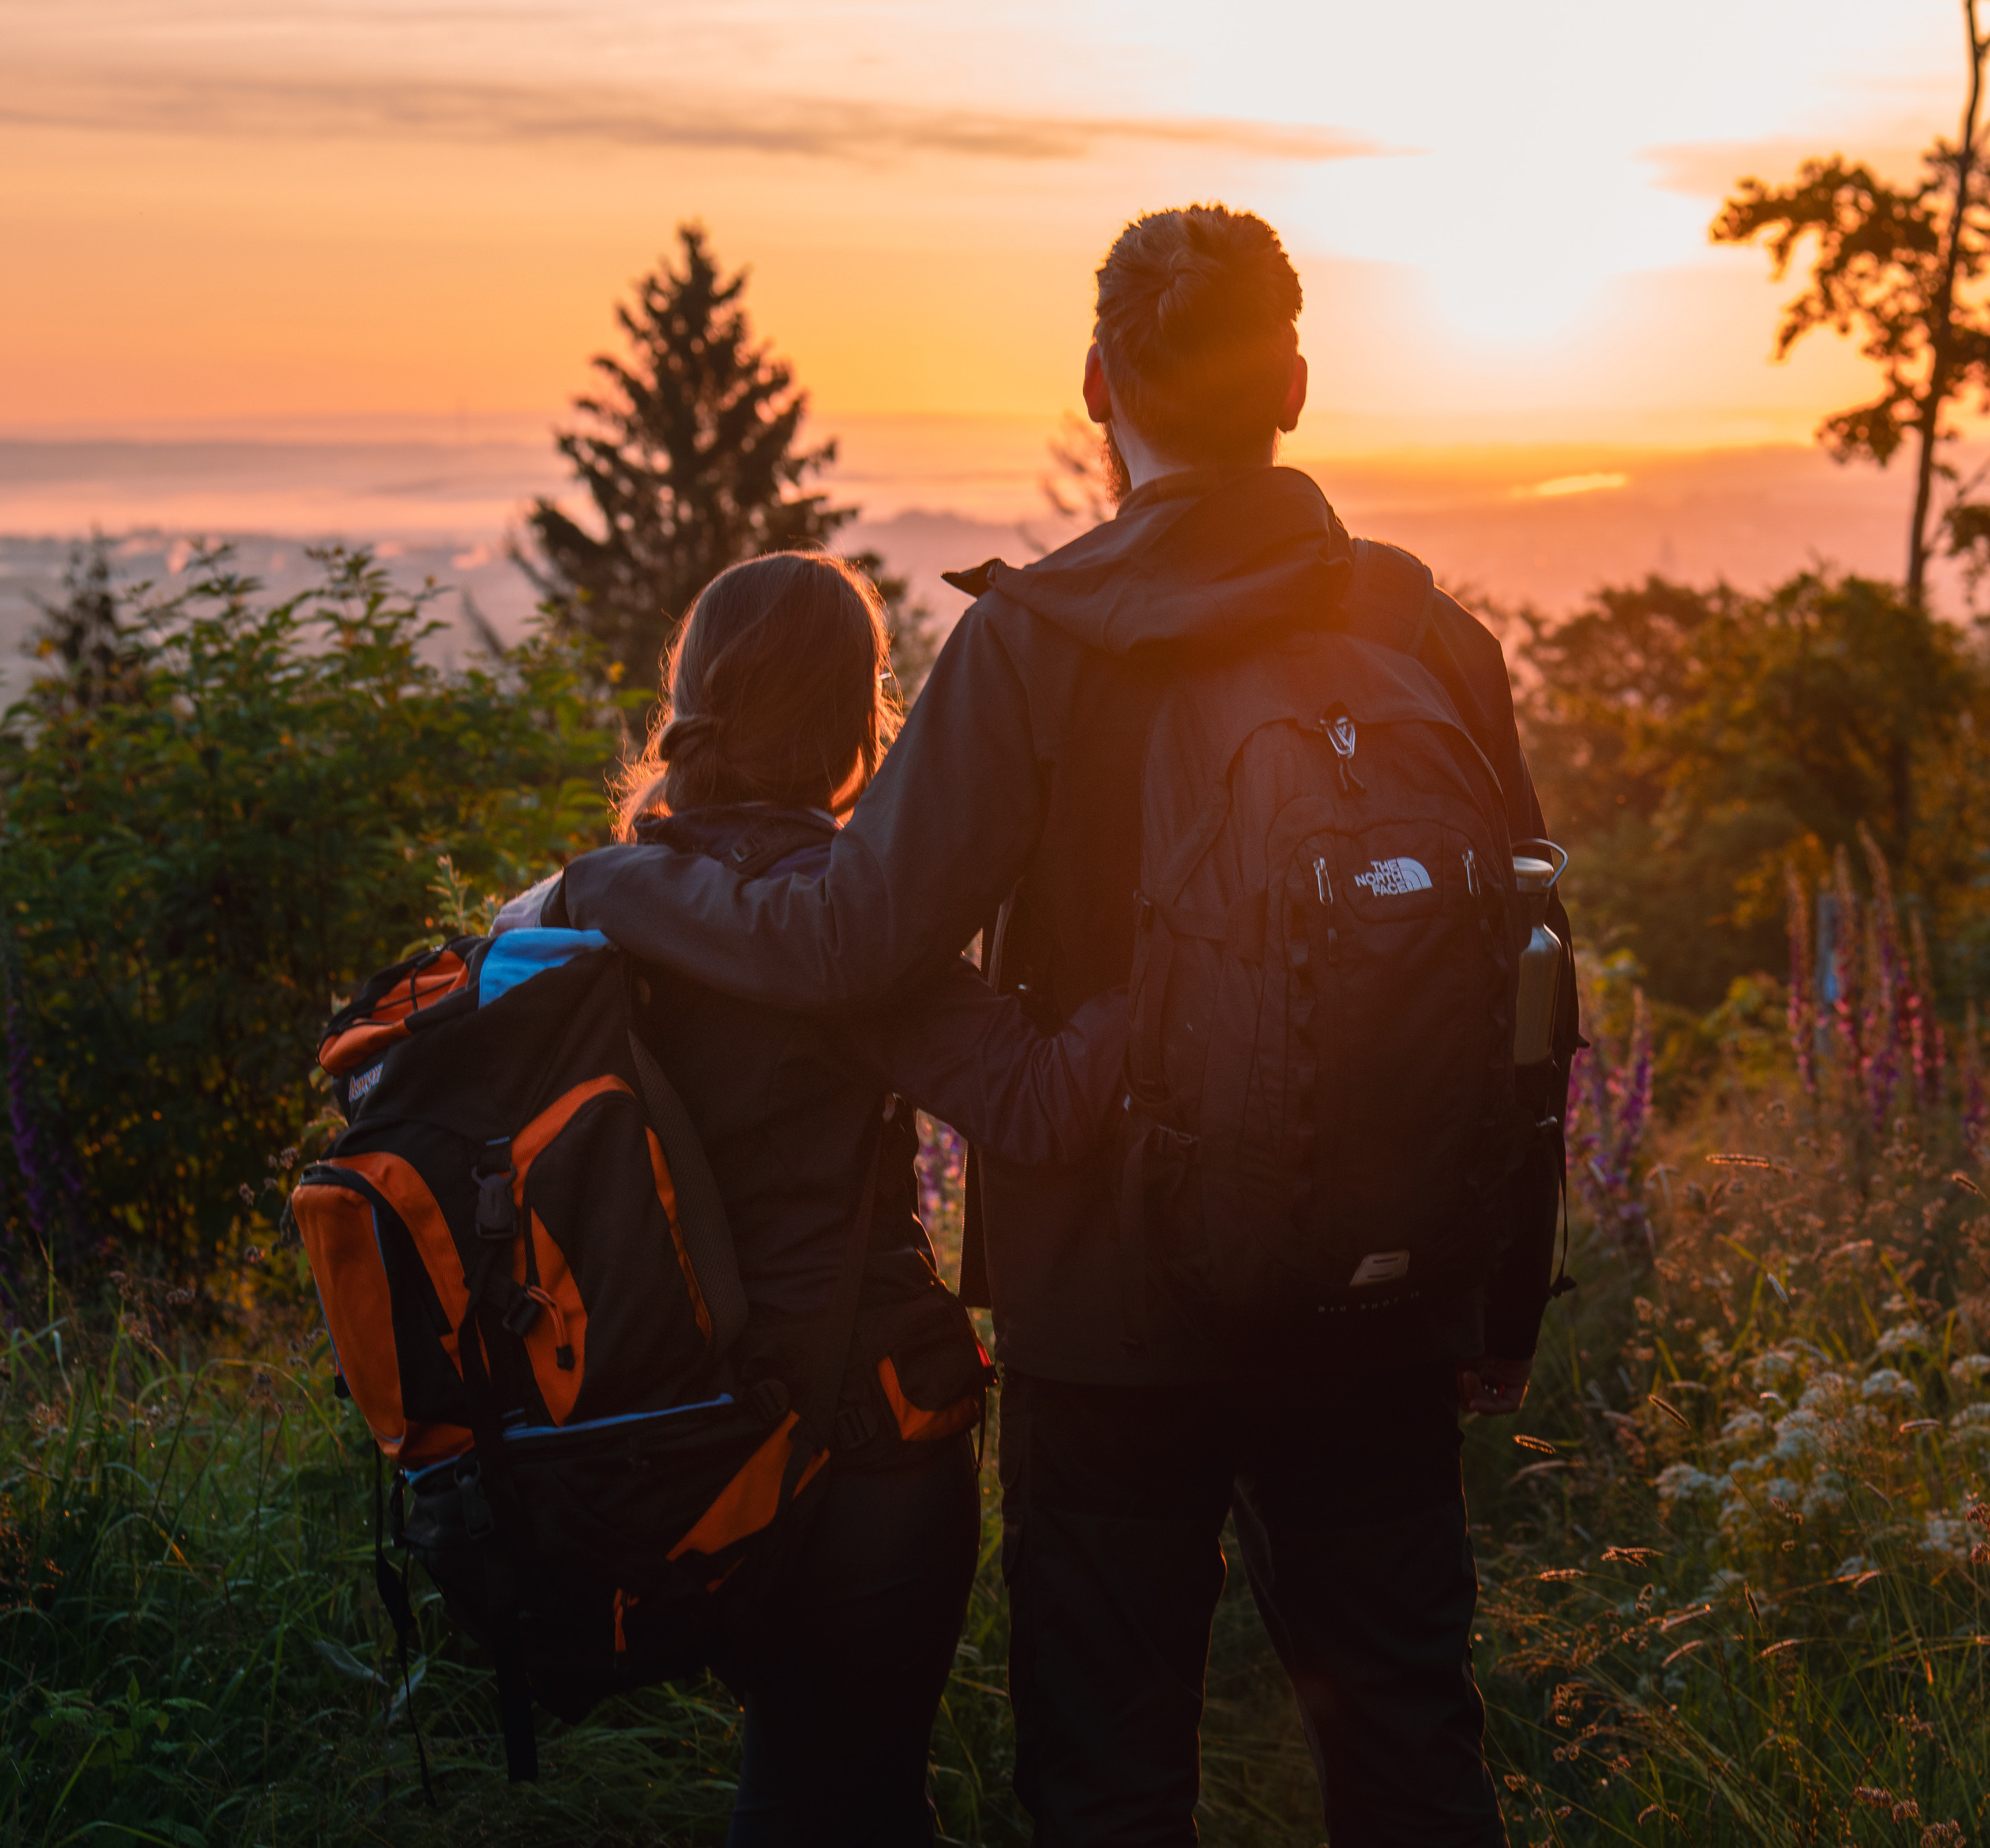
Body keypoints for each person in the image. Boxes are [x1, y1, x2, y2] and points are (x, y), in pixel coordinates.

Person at [557, 204, 1570, 1847]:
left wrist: (613, 885)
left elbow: (852, 937)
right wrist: (1493, 1292)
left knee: (1106, 1770)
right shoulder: (1430, 637)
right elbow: (1530, 993)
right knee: (1405, 1739)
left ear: (1098, 386)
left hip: (1112, 1310)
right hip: (1385, 1292)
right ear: (1295, 384)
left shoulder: (1031, 643)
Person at [513, 550, 1125, 1847]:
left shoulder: (590, 905)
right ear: (861, 716)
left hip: (673, 1446)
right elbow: (1042, 1106)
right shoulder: (841, 925)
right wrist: (1165, 959)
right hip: (860, 1452)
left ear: (694, 698)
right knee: (832, 1797)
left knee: (817, 1794)